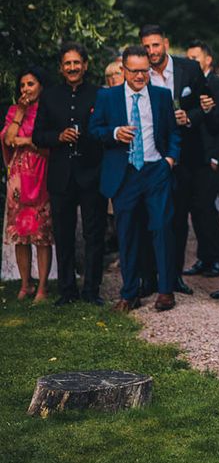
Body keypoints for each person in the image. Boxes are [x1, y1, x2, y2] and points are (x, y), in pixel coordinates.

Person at [89, 46, 181, 311]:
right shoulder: (108, 97)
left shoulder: (162, 96)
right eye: (135, 71)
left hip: (156, 171)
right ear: (124, 70)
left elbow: (174, 133)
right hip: (125, 173)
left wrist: (170, 160)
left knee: (162, 229)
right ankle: (130, 293)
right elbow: (94, 130)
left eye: (144, 71)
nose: (140, 76)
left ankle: (165, 291)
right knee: (126, 234)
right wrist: (115, 132)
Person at [32, 42, 107, 306]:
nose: (73, 67)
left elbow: (106, 130)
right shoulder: (49, 96)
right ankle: (67, 290)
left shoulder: (100, 94)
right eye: (68, 64)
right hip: (61, 176)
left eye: (77, 63)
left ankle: (91, 290)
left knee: (94, 234)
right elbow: (37, 135)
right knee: (63, 235)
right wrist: (58, 136)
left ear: (85, 65)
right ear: (61, 68)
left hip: (91, 173)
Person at [141, 23, 210, 296]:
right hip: (151, 157)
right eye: (146, 47)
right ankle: (149, 277)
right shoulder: (139, 73)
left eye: (155, 45)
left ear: (166, 43)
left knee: (179, 219)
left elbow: (206, 104)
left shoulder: (189, 69)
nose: (151, 51)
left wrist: (189, 117)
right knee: (150, 219)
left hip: (184, 157)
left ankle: (174, 276)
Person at [2, 67, 53, 302]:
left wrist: (27, 141)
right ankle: (26, 284)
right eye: (22, 85)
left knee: (42, 235)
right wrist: (20, 113)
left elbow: (49, 144)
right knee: (20, 235)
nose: (25, 89)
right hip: (18, 180)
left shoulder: (49, 110)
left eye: (30, 84)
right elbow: (9, 139)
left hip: (42, 175)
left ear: (41, 86)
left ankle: (42, 287)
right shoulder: (15, 111)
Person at [182, 40, 219, 281]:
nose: (191, 62)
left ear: (208, 60)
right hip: (194, 156)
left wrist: (215, 156)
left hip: (211, 156)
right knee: (197, 208)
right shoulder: (191, 83)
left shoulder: (216, 83)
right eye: (188, 58)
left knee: (207, 209)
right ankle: (205, 256)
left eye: (195, 58)